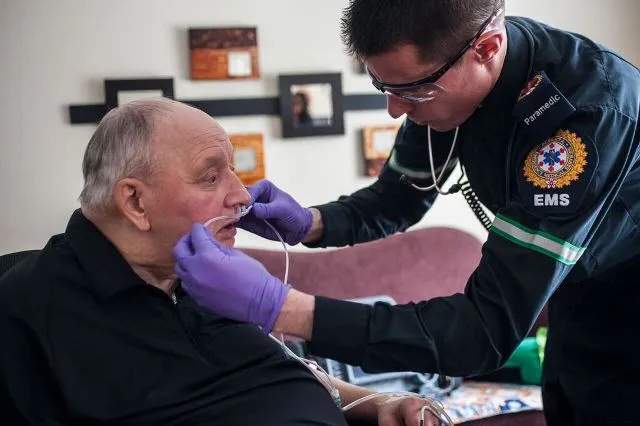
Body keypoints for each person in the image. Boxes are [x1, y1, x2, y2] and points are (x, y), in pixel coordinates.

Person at [173, 1, 640, 425]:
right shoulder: (440, 84)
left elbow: (483, 332)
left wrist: (284, 308)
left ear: (488, 48)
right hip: (572, 307)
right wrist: (311, 223)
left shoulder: (587, 112)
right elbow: (398, 198)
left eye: (411, 92)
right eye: (382, 85)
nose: (394, 110)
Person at [0, 98, 440, 426]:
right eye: (211, 176)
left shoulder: (206, 277)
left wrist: (376, 403)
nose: (242, 195)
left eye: (233, 169)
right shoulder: (31, 308)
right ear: (135, 200)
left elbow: (282, 373)